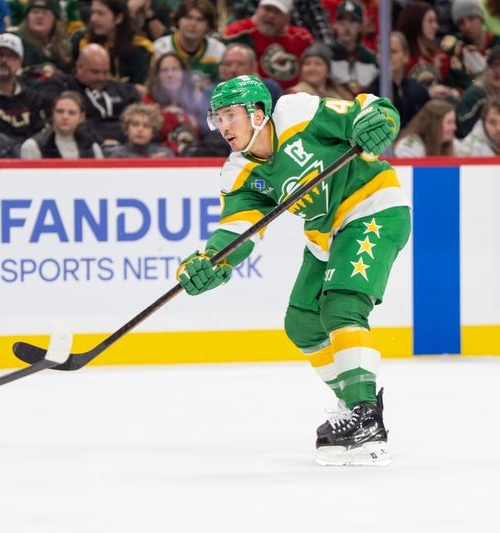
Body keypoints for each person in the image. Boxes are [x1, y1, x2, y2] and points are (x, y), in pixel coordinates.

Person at [176, 75, 409, 465]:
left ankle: (366, 416)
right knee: (302, 321)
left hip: (373, 208)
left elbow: (362, 113)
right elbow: (236, 231)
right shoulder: (239, 171)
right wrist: (210, 263)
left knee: (341, 307)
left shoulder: (296, 112)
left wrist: (380, 118)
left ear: (259, 113)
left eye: (231, 115)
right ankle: (352, 402)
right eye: (217, 118)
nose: (223, 126)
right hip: (326, 234)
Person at [38, 43, 140, 145]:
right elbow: (59, 120)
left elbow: (140, 118)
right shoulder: (61, 86)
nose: (101, 78)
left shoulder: (124, 90)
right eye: (95, 72)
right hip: (84, 147)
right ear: (79, 67)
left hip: (127, 147)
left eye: (105, 72)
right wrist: (99, 141)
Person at [222, 0, 315, 90]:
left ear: (288, 16)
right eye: (267, 9)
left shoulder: (302, 38)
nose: (270, 15)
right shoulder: (238, 33)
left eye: (277, 11)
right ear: (258, 9)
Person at [71, 0, 154, 87]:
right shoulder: (83, 41)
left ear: (119, 18)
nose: (93, 18)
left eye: (100, 13)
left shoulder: (140, 48)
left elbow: (140, 90)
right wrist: (119, 84)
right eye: (93, 12)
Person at [0, 33, 47, 145]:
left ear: (20, 62)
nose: (3, 60)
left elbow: (40, 132)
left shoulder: (31, 97)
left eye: (10, 56)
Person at [396, 1, 466, 95]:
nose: (436, 26)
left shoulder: (442, 58)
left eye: (436, 21)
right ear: (415, 22)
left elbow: (461, 84)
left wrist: (455, 91)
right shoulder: (401, 58)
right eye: (430, 21)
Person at [152, 0, 225, 88]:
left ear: (208, 25)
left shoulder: (219, 50)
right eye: (188, 17)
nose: (192, 24)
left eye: (199, 19)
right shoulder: (160, 48)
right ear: (178, 20)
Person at [366, 32, 430, 131]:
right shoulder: (369, 96)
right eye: (382, 52)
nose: (387, 57)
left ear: (406, 56)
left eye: (393, 52)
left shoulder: (420, 92)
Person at [143, 51, 201, 155]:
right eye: (164, 70)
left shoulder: (196, 99)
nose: (170, 75)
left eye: (175, 69)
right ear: (157, 76)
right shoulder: (148, 102)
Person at [20, 90, 103, 158]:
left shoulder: (92, 147)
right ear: (52, 114)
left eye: (71, 113)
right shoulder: (33, 146)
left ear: (81, 117)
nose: (65, 117)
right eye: (60, 111)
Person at [442, 0, 500, 81]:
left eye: (471, 18)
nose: (467, 26)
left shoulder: (497, 42)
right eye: (461, 22)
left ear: (481, 18)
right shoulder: (455, 48)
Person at [330, 0, 378, 96]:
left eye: (353, 22)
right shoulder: (327, 55)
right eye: (342, 21)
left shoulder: (370, 58)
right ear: (335, 24)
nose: (347, 27)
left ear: (360, 26)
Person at [14, 0, 73, 75]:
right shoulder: (16, 43)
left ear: (54, 18)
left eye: (45, 12)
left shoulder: (65, 48)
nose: (40, 16)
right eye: (35, 12)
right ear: (27, 16)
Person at [457, 45, 500, 136]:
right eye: (494, 65)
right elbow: (462, 130)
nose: (497, 71)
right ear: (487, 67)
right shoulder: (477, 94)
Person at [104, 102, 173, 157]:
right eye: (135, 124)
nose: (140, 129)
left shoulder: (164, 154)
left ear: (153, 133)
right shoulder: (117, 156)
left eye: (146, 126)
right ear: (126, 129)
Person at [394, 98, 460, 156]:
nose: (454, 127)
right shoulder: (409, 147)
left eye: (454, 122)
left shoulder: (452, 143)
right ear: (434, 125)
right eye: (449, 122)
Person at [287, 43, 353, 99]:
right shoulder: (294, 95)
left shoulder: (342, 95)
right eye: (307, 64)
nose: (312, 68)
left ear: (328, 70)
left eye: (318, 63)